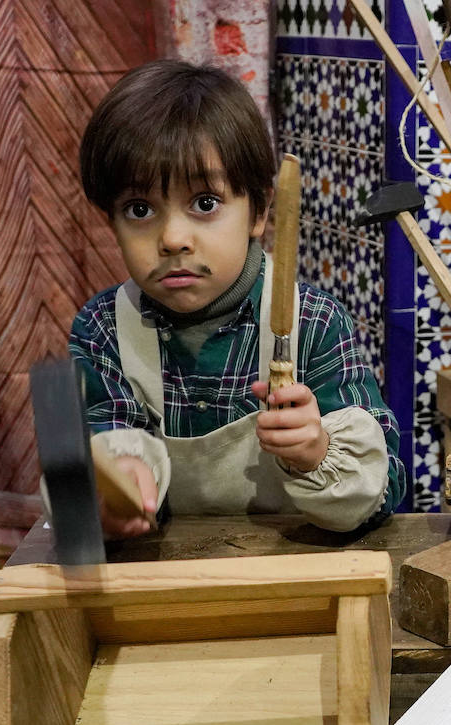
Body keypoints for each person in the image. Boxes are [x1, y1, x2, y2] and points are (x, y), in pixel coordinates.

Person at [69, 59, 405, 536]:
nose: (173, 238)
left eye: (205, 203)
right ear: (112, 223)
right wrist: (120, 486)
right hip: (163, 587)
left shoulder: (312, 321)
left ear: (259, 212)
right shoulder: (104, 328)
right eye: (139, 209)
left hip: (293, 583)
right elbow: (102, 440)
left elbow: (390, 486)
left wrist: (318, 453)